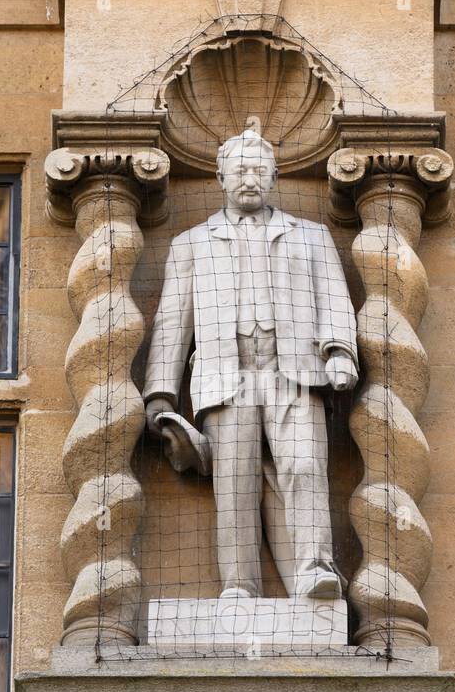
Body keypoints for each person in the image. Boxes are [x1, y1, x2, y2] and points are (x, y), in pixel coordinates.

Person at [143, 128, 358, 599]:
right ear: (220, 177)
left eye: (259, 169)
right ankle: (239, 586)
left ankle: (315, 569)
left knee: (304, 467)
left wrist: (340, 351)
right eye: (240, 169)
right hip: (226, 376)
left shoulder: (312, 236)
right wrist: (160, 395)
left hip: (295, 373)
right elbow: (171, 324)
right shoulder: (191, 244)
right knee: (234, 485)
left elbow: (335, 300)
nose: (249, 178)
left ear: (275, 176)